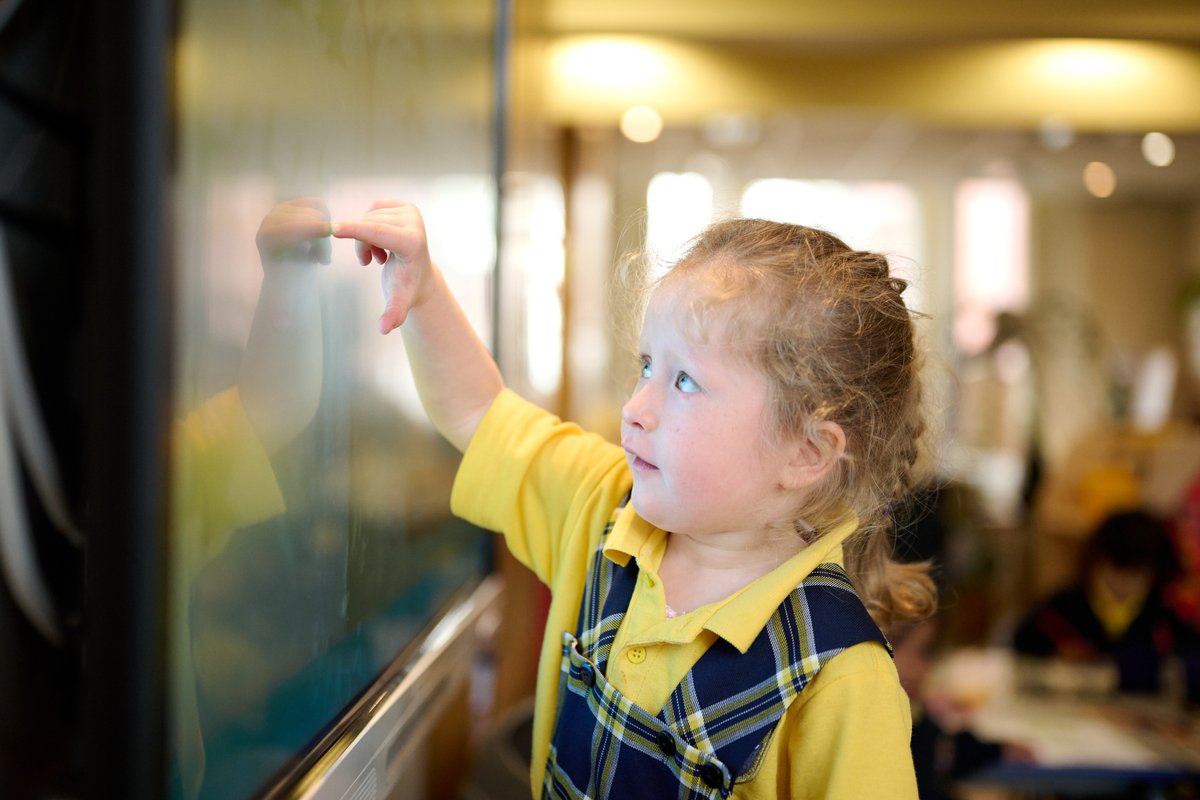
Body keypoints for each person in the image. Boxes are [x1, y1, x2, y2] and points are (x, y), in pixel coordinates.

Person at [332, 200, 938, 798]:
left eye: (684, 381)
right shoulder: (604, 505)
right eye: (647, 366)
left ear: (806, 452)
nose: (635, 409)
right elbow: (478, 411)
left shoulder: (843, 680)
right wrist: (424, 291)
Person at [1013, 509, 1200, 697]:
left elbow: (1189, 661)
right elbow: (1021, 646)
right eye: (1114, 570)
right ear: (1094, 563)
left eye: (1135, 575)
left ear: (1155, 575)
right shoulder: (1062, 607)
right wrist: (1055, 653)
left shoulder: (1165, 618)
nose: (1122, 584)